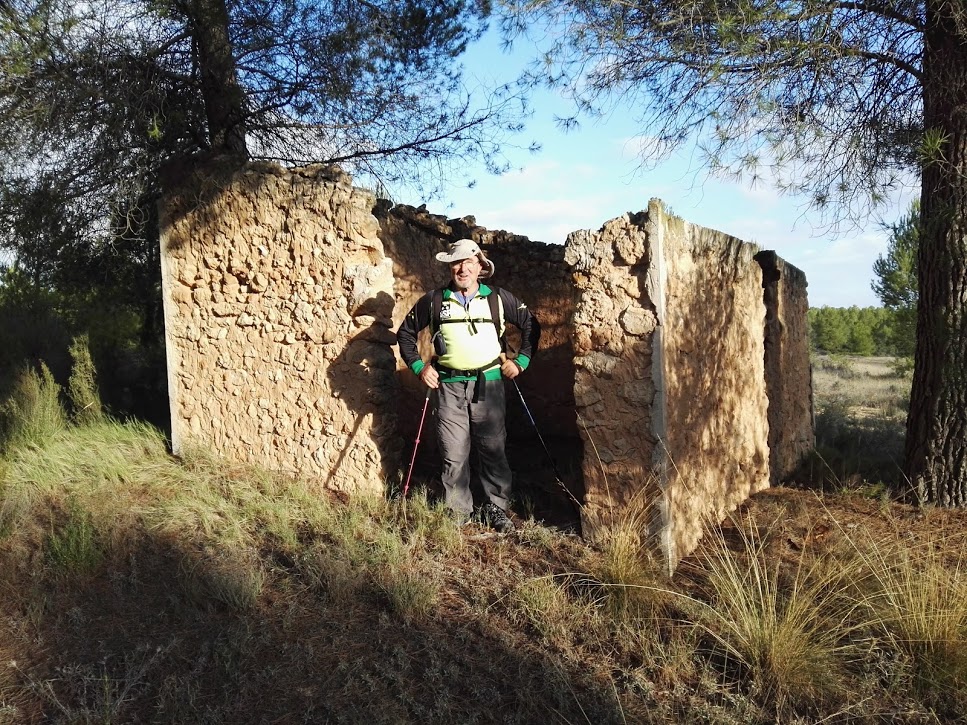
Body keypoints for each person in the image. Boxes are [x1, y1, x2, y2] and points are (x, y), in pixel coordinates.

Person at [397, 239, 541, 532]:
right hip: (449, 385)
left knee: (493, 448)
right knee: (453, 452)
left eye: (468, 262)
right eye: (456, 263)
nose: (462, 268)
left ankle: (495, 507)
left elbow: (530, 325)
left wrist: (521, 361)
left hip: (488, 383)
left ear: (480, 266)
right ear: (450, 267)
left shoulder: (498, 298)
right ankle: (458, 512)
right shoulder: (435, 300)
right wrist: (419, 368)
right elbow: (405, 334)